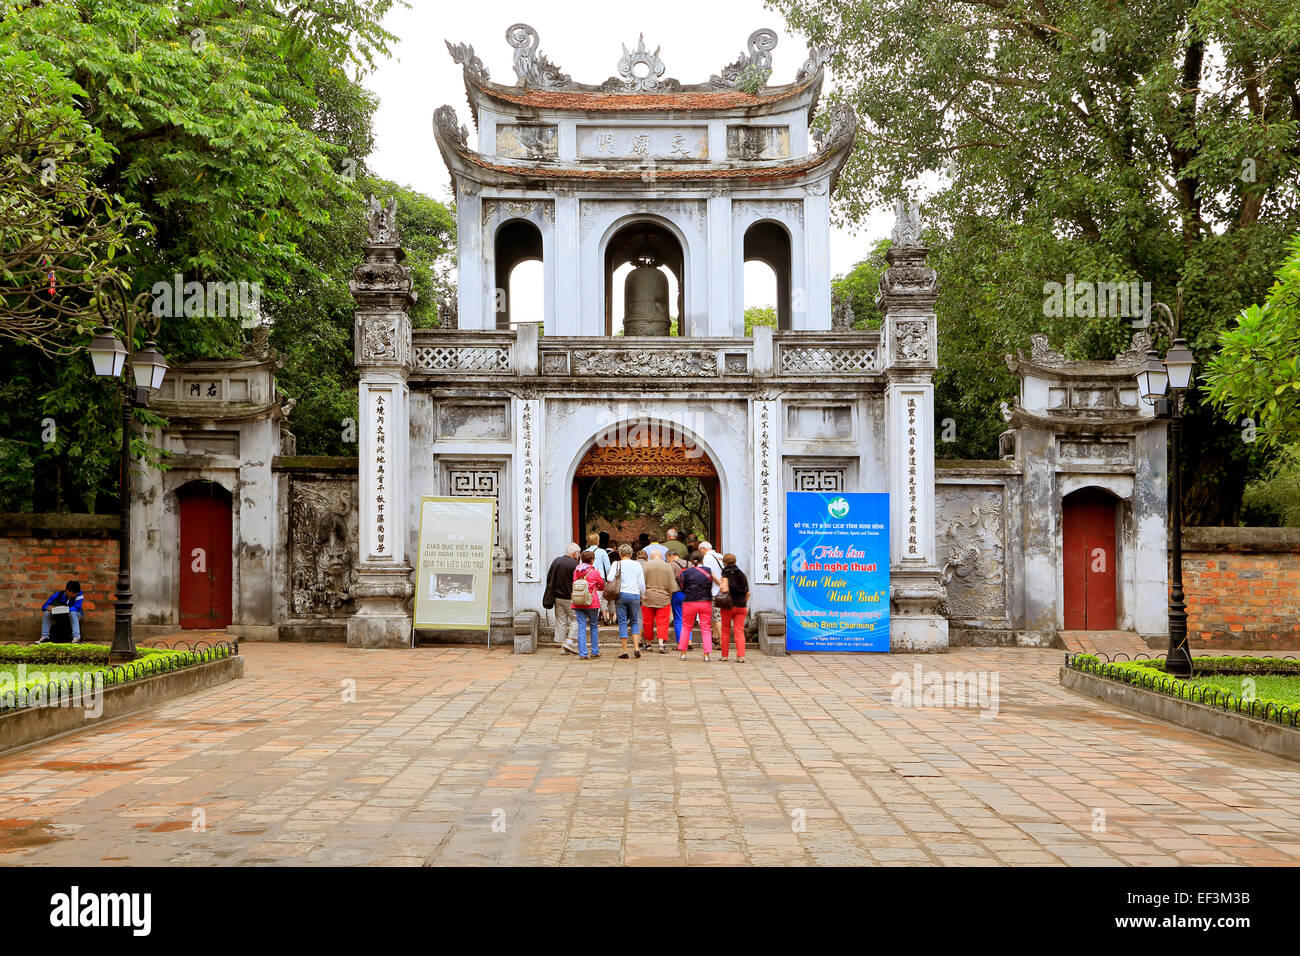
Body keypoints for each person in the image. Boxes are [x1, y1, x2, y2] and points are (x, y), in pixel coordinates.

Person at [542, 543, 581, 655]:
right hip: (570, 597)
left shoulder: (556, 561)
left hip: (557, 597)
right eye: (578, 553)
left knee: (561, 620)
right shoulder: (575, 564)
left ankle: (561, 644)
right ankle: (569, 642)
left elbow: (550, 578)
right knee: (576, 620)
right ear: (575, 553)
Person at [678, 552, 716, 662]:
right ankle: (706, 654)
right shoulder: (708, 570)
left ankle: (683, 653)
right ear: (702, 559)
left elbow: (682, 586)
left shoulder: (687, 572)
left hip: (689, 602)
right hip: (705, 602)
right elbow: (711, 584)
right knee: (706, 628)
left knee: (686, 626)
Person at [611, 543, 646, 659]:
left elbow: (610, 578)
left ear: (620, 554)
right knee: (635, 620)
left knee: (622, 622)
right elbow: (641, 583)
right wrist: (642, 594)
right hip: (635, 594)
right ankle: (636, 647)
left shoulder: (616, 564)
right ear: (631, 554)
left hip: (621, 594)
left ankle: (625, 651)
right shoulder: (637, 565)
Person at [642, 549, 678, 653]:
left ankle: (648, 644)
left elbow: (641, 583)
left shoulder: (646, 565)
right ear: (661, 556)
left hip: (648, 597)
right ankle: (661, 644)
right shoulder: (667, 566)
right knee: (662, 622)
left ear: (651, 556)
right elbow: (672, 585)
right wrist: (669, 598)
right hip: (663, 597)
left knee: (647, 622)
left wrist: (642, 596)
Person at [571, 550, 605, 660]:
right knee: (594, 626)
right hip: (591, 602)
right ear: (591, 560)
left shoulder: (577, 570)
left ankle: (583, 653)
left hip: (578, 601)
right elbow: (601, 585)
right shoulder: (594, 572)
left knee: (581, 626)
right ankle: (594, 651)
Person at [718, 553, 750, 663]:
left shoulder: (725, 573)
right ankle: (741, 656)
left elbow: (724, 589)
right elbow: (748, 592)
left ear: (725, 563)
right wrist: (743, 603)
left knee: (726, 630)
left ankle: (724, 655)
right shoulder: (742, 574)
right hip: (741, 606)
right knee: (739, 631)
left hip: (728, 606)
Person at [699, 540, 725, 641]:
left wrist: (719, 583)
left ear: (703, 549)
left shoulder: (707, 558)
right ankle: (716, 636)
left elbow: (710, 573)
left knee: (716, 615)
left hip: (715, 589)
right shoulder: (720, 556)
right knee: (716, 614)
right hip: (723, 590)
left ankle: (722, 640)